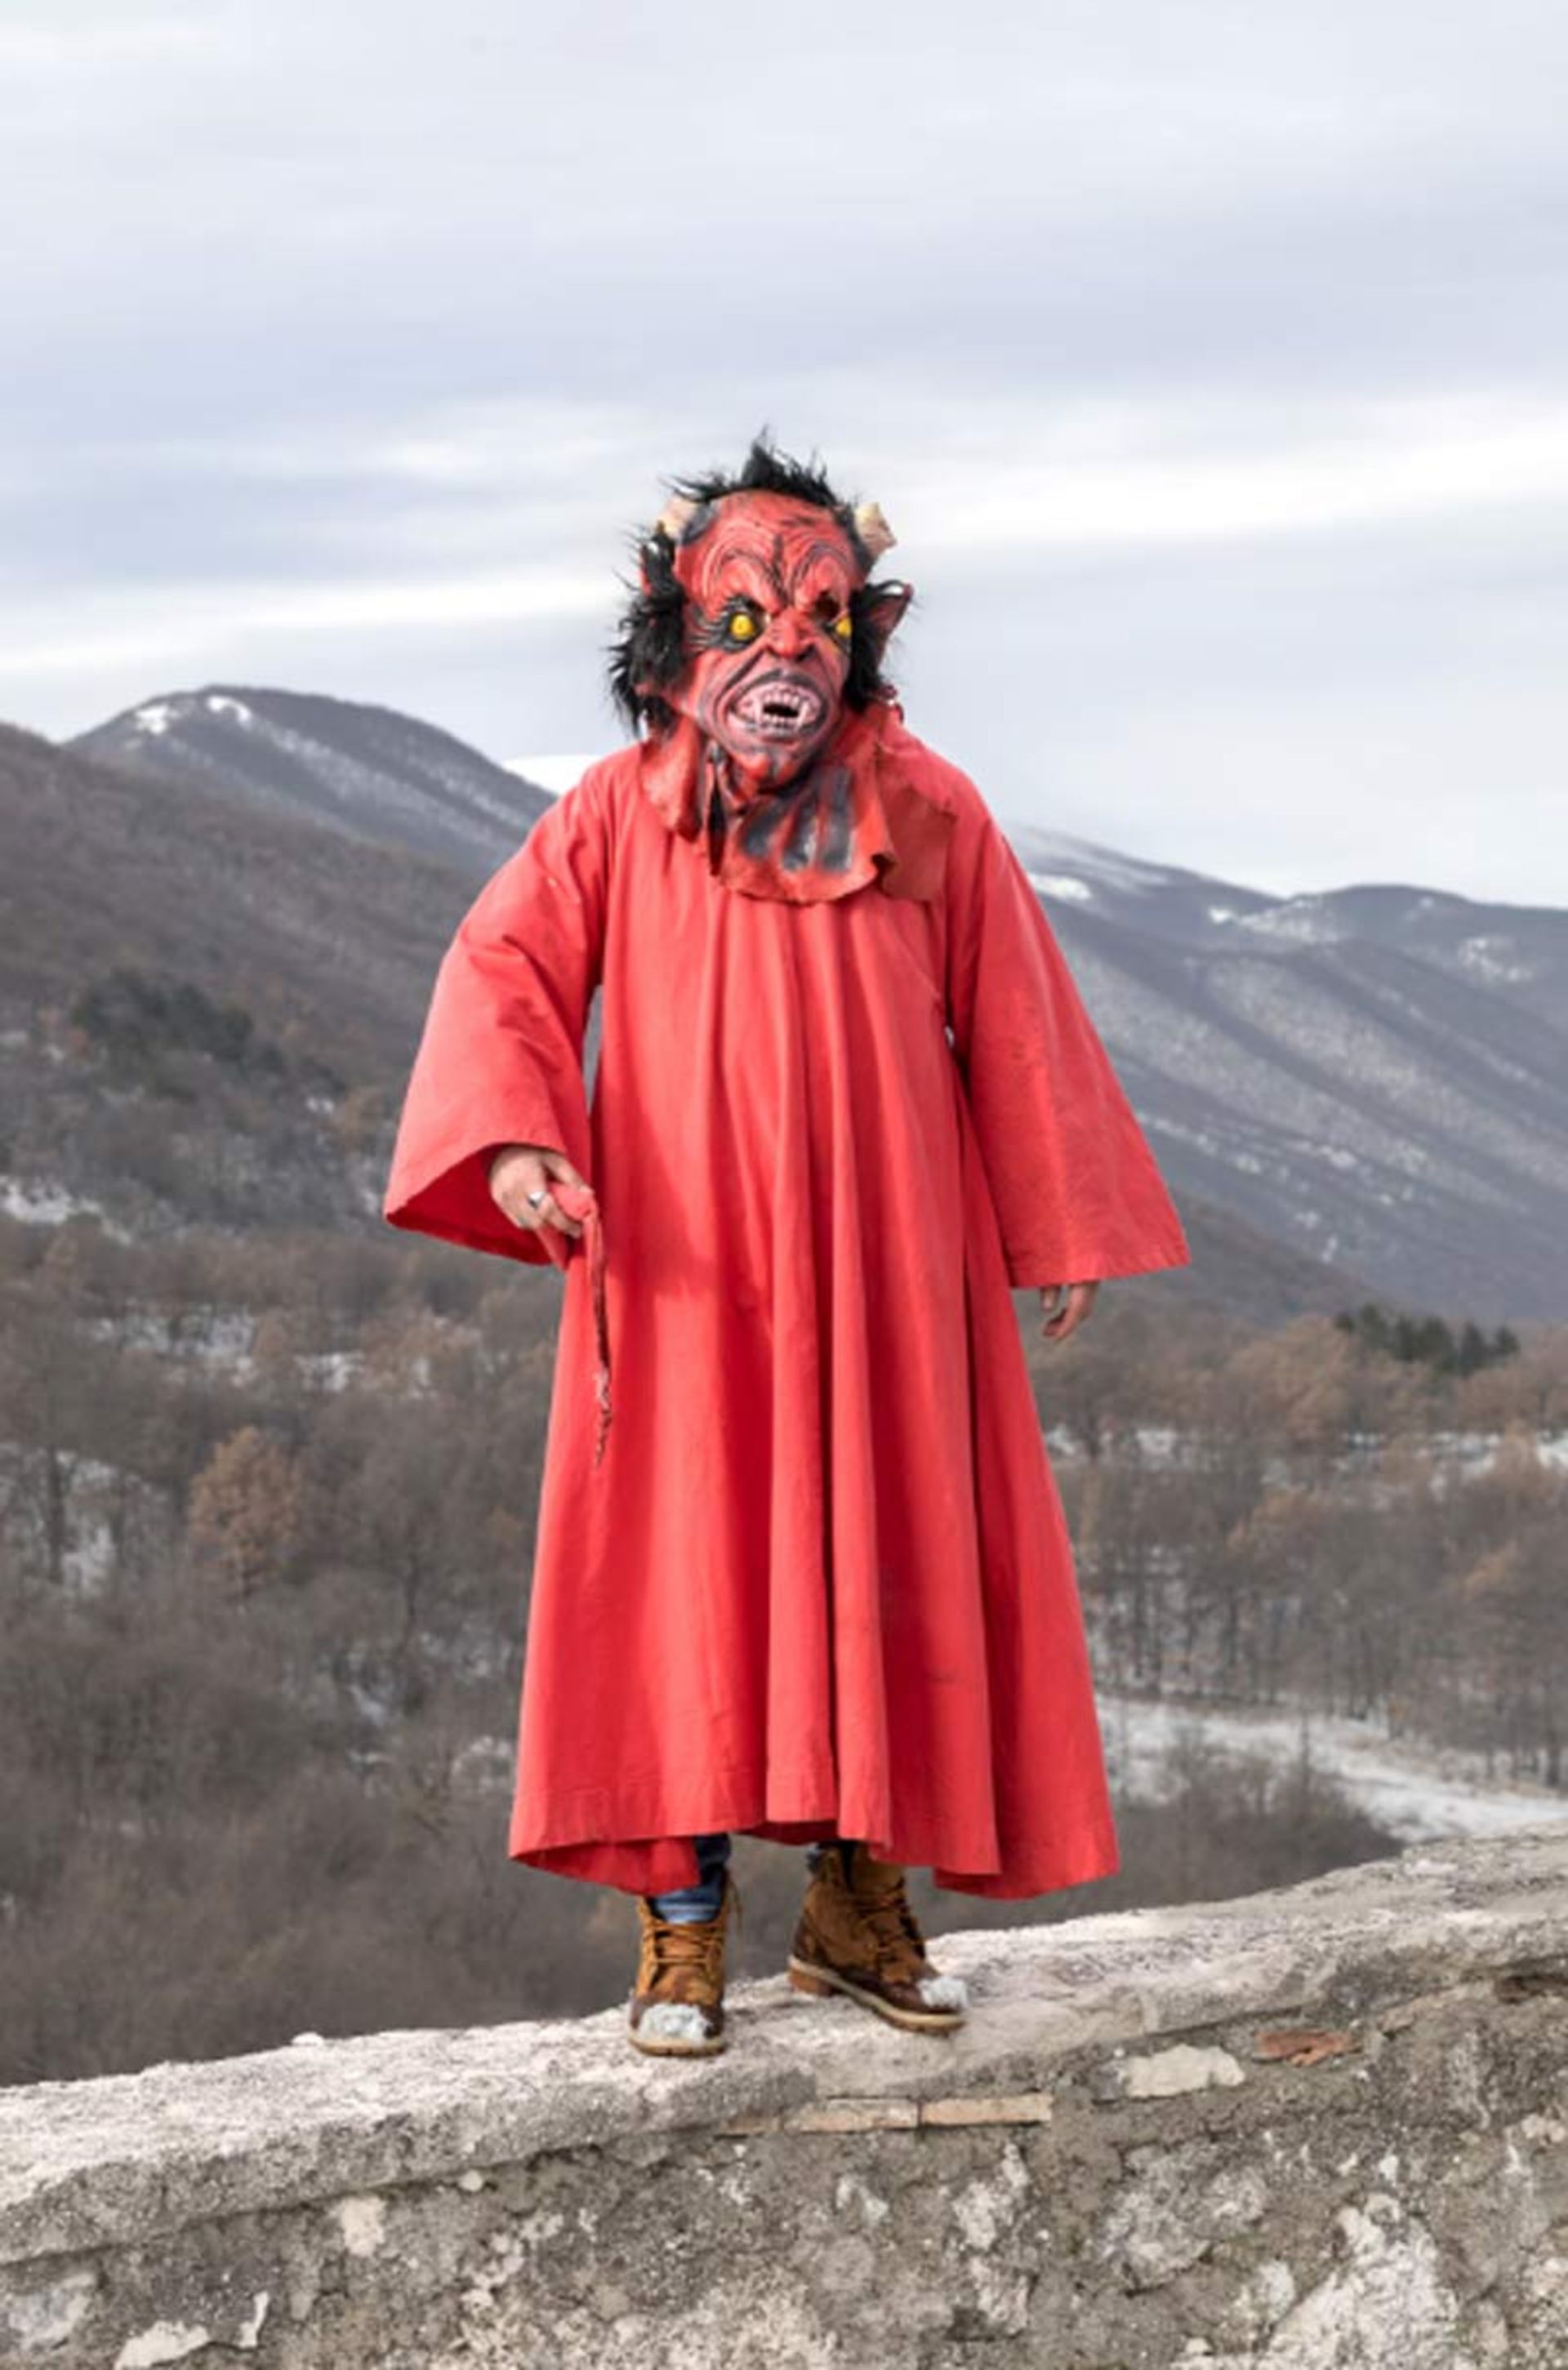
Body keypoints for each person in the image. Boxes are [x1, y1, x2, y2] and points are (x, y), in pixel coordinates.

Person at [381, 437, 1191, 2059]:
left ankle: (855, 1899)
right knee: (684, 1565)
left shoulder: (927, 808)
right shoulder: (616, 815)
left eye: (818, 614)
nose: (785, 649)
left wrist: (1057, 1217)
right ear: (683, 641)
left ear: (864, 631)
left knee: (887, 1547)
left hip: (897, 1272)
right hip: (685, 1273)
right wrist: (527, 1136)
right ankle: (680, 1921)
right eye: (744, 614)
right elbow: (505, 972)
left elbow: (1018, 1017)